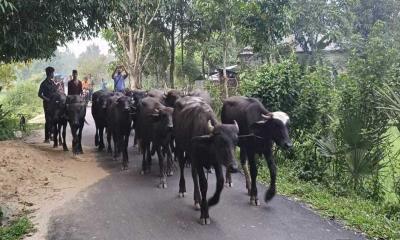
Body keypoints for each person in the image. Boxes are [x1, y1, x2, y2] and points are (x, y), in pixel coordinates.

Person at [38, 66, 57, 143]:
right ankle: (47, 138)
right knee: (48, 119)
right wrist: (47, 99)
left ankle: (51, 135)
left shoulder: (53, 83)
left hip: (54, 104)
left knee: (53, 119)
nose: (53, 74)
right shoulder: (43, 83)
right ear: (49, 73)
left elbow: (55, 92)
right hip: (47, 104)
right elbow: (39, 94)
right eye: (53, 73)